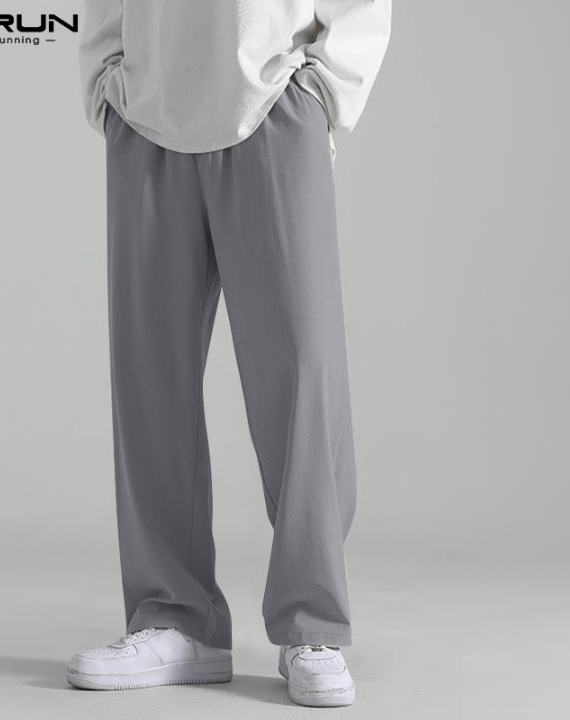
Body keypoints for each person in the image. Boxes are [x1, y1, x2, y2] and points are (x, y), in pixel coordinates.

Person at [67, 0, 391, 708]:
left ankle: (312, 622)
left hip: (274, 101)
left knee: (302, 374)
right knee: (150, 378)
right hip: (147, 110)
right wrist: (107, 80)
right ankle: (174, 617)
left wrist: (325, 88)